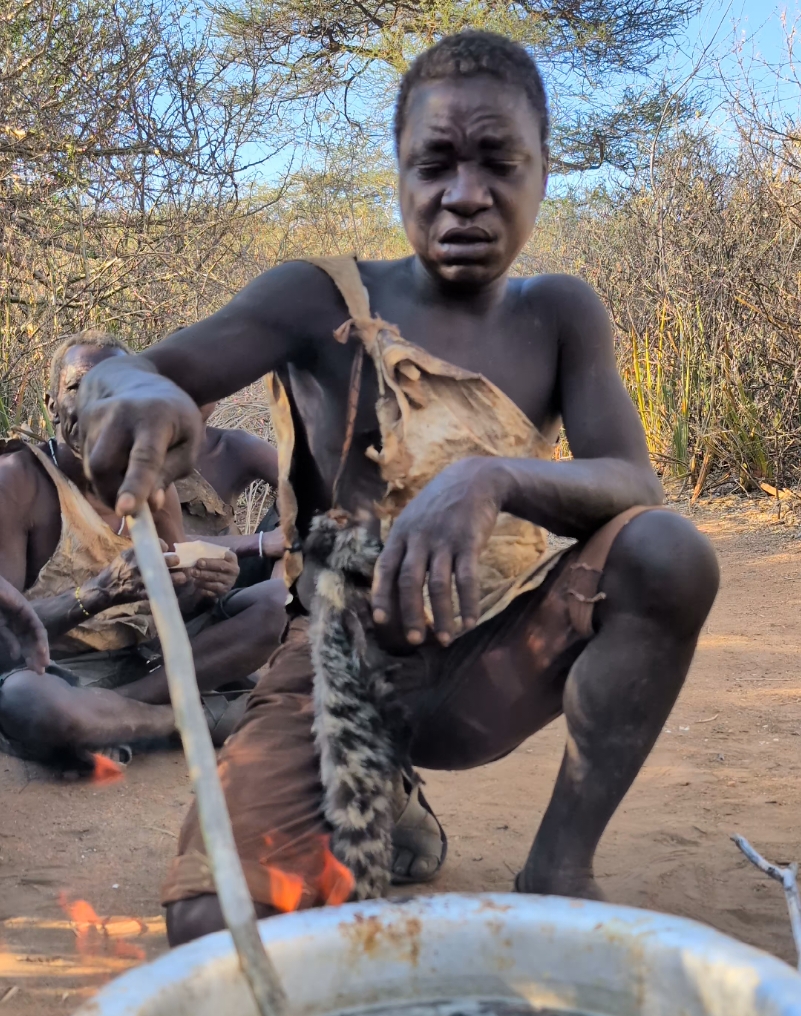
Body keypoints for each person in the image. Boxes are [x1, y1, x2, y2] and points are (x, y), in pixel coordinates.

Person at [73, 31, 719, 940]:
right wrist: (132, 391)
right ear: (400, 173)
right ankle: (380, 793)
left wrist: (490, 478)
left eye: (499, 162)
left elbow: (632, 481)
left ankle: (558, 868)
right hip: (337, 665)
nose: (465, 194)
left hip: (497, 654)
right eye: (435, 164)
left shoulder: (560, 313)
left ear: (543, 169)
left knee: (666, 550)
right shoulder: (319, 298)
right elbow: (134, 372)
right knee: (212, 927)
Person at [0, 331, 289, 768]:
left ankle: (115, 713)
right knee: (26, 700)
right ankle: (182, 720)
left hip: (145, 665)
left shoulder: (154, 483)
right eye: (81, 387)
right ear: (50, 404)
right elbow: (6, 643)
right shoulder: (19, 483)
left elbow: (182, 605)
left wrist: (208, 583)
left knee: (280, 602)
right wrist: (98, 594)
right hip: (61, 672)